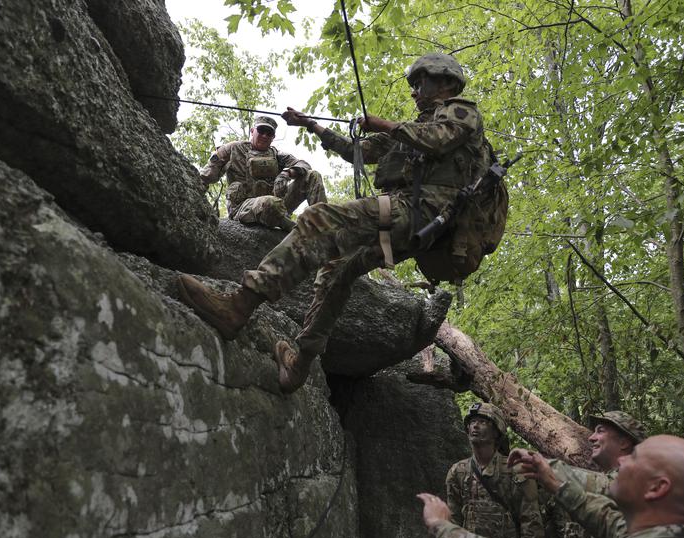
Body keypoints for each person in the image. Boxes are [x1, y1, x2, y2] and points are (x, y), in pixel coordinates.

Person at [176, 53, 495, 394]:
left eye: (421, 82)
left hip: (422, 214)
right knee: (337, 271)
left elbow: (439, 138)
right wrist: (311, 125)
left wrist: (385, 124)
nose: (415, 91)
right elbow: (357, 151)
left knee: (317, 220)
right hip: (413, 225)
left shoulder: (461, 111)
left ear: (447, 82)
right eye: (413, 85)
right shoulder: (411, 131)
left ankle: (238, 306)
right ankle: (301, 361)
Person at [418, 435, 684, 538]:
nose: (624, 460)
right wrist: (553, 481)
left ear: (657, 488)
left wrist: (441, 527)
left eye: (635, 458)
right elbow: (605, 516)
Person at [198, 115, 327, 231]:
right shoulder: (233, 149)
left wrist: (287, 174)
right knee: (270, 203)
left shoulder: (277, 155)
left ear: (273, 137)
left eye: (269, 133)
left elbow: (304, 165)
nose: (265, 135)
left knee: (312, 176)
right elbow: (206, 176)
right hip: (243, 207)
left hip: (276, 205)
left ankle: (323, 227)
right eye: (261, 131)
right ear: (252, 131)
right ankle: (295, 230)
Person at [445, 403, 544, 538]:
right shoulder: (457, 471)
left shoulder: (515, 469)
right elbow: (454, 521)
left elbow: (530, 521)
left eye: (483, 422)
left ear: (496, 431)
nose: (475, 426)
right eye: (472, 422)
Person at [551, 411, 648, 496]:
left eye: (600, 431)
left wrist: (547, 466)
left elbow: (608, 487)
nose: (591, 438)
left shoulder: (637, 477)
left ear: (624, 443)